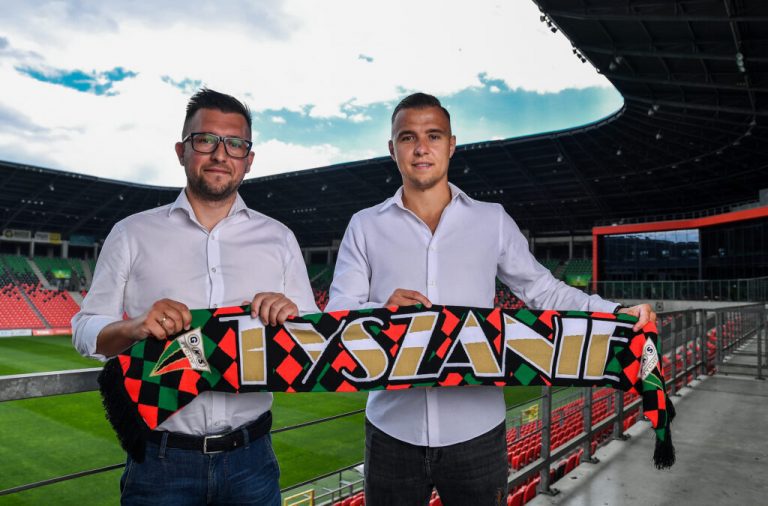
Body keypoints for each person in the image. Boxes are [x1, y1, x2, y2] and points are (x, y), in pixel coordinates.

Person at [325, 92, 656, 506]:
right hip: (392, 430)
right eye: (408, 137)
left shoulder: (491, 219)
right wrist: (380, 314)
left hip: (477, 432)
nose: (422, 148)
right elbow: (336, 316)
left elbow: (543, 290)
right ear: (393, 149)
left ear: (451, 145)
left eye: (433, 135)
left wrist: (615, 312)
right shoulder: (363, 226)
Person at [72, 88, 318, 505]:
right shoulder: (132, 233)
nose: (221, 154)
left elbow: (313, 343)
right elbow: (84, 330)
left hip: (253, 459)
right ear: (181, 151)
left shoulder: (279, 238)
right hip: (160, 462)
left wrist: (293, 317)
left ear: (248, 160)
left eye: (235, 144)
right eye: (205, 140)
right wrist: (135, 326)